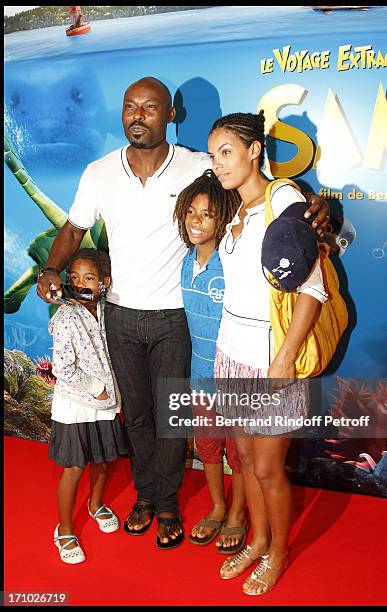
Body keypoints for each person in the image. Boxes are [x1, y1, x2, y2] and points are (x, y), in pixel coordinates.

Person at [37, 76, 330, 550]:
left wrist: (313, 207)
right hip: (120, 315)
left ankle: (169, 502)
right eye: (130, 106)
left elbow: (263, 196)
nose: (138, 115)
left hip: (174, 318)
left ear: (170, 114)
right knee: (137, 417)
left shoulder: (201, 166)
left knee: (173, 417)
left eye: (150, 107)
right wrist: (52, 266)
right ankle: (146, 497)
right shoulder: (98, 172)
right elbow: (74, 227)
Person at [207, 111, 329, 595]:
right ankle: (257, 541)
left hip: (269, 358)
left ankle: (279, 551)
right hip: (231, 353)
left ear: (255, 150)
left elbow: (313, 290)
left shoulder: (285, 200)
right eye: (214, 155)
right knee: (242, 455)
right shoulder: (237, 207)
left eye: (227, 152)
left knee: (265, 467)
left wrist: (284, 358)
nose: (218, 164)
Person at [174, 169, 249, 553]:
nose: (196, 220)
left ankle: (238, 515)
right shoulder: (184, 259)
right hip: (200, 377)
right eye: (190, 211)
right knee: (207, 447)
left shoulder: (233, 262)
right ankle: (218, 508)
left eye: (206, 213)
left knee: (239, 452)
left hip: (235, 375)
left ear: (223, 217)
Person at [47, 248, 128, 564]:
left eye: (89, 278)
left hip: (105, 403)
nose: (81, 284)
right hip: (76, 405)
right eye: (74, 278)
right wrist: (98, 390)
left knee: (104, 460)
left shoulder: (110, 309)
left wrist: (109, 395)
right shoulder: (67, 315)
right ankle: (64, 529)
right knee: (75, 467)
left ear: (104, 282)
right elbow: (63, 368)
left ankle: (95, 505)